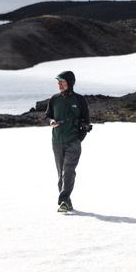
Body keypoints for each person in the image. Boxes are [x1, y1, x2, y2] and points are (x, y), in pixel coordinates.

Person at [45, 70, 90, 213]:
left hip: (73, 142)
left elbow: (86, 122)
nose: (59, 85)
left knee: (68, 171)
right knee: (61, 174)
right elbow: (48, 116)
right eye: (58, 82)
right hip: (57, 141)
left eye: (62, 82)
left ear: (70, 83)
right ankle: (67, 203)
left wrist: (78, 139)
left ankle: (63, 200)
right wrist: (51, 121)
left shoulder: (80, 100)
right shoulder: (54, 99)